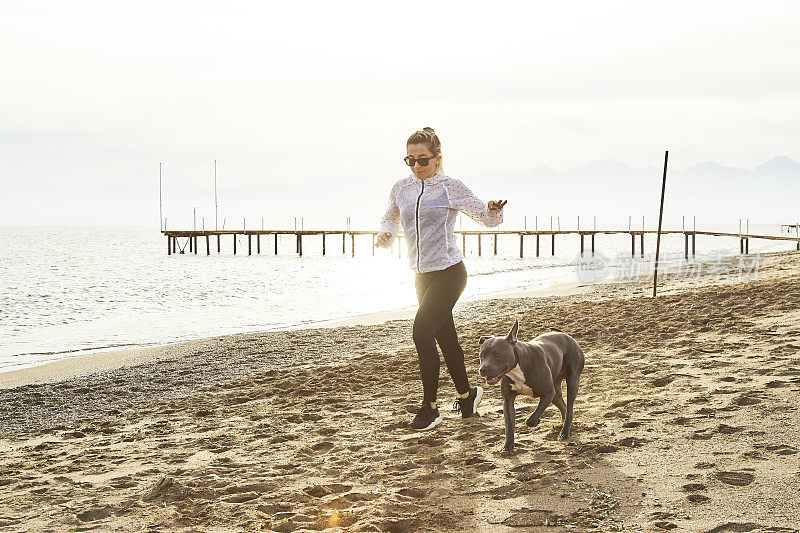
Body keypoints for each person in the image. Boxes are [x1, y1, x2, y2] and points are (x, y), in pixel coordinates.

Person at [376, 127, 507, 431]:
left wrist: (493, 211)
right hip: (420, 276)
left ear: (436, 158)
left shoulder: (450, 187)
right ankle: (467, 396)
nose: (417, 166)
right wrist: (386, 234)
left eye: (423, 160)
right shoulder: (401, 188)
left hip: (450, 272)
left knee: (421, 333)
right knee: (445, 339)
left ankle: (430, 407)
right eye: (410, 160)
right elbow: (390, 217)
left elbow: (486, 219)